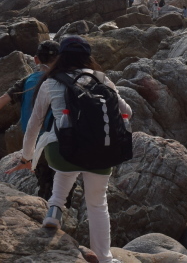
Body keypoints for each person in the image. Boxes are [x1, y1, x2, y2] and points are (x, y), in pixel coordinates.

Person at [12, 37, 131, 263]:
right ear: (88, 57)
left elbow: (34, 125)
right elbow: (128, 112)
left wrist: (27, 157)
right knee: (97, 203)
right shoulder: (102, 79)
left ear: (61, 57)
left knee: (65, 164)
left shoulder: (50, 82)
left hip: (61, 154)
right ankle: (105, 258)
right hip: (101, 153)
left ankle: (55, 209)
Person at [0, 40, 60, 197]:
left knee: (46, 181)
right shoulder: (65, 80)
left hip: (36, 141)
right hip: (59, 140)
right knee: (60, 182)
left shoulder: (28, 81)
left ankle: (48, 209)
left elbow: (5, 97)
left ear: (36, 59)